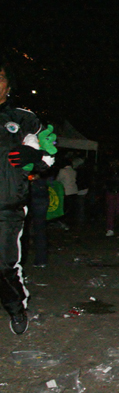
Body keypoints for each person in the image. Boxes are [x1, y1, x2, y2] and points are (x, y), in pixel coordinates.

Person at [0, 61, 57, 335]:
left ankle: (15, 306)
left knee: (3, 264)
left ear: (8, 86)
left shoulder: (23, 119)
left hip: (7, 204)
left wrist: (34, 157)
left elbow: (48, 156)